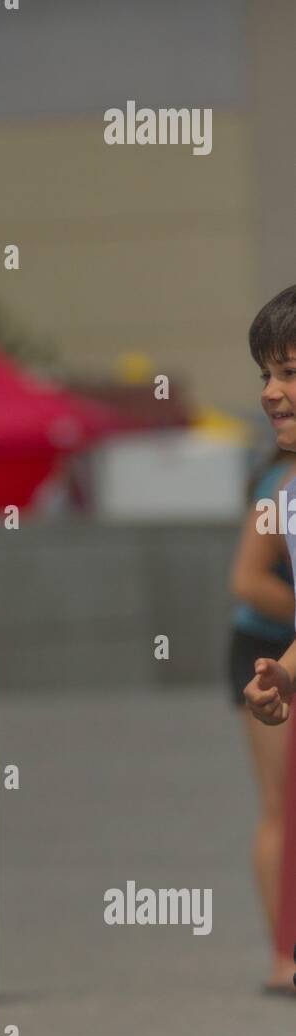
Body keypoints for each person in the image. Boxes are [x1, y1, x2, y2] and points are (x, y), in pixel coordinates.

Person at [241, 285, 296, 996]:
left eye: (290, 372)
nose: (272, 391)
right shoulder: (283, 495)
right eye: (266, 374)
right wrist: (281, 672)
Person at [228, 447, 296, 991]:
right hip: (268, 650)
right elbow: (248, 580)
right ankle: (284, 957)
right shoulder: (281, 485)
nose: (275, 391)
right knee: (281, 804)